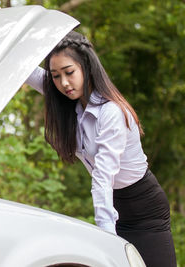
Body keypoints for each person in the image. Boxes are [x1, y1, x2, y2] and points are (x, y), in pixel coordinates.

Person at [25, 30, 177, 267]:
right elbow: (28, 72)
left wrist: (106, 236)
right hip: (115, 205)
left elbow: (103, 178)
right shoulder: (72, 106)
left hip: (145, 211)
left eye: (69, 72)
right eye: (55, 76)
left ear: (86, 67)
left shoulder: (111, 113)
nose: (63, 82)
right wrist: (6, 27)